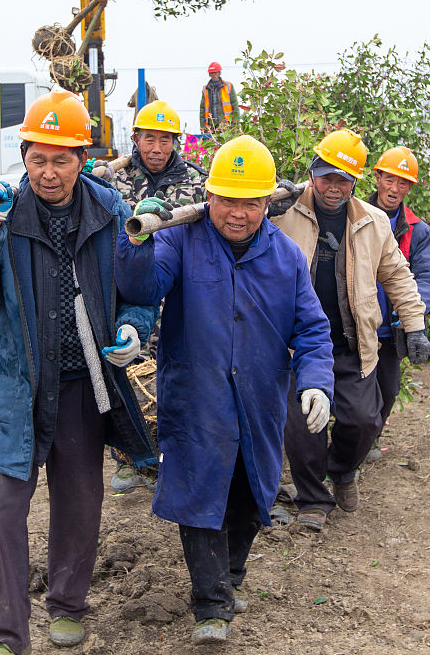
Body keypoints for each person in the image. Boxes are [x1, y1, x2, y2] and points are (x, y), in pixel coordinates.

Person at [0, 90, 158, 655]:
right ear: (24, 154)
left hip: (83, 382)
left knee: (80, 498)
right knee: (1, 504)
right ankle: (9, 636)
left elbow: (138, 292)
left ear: (82, 159)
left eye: (62, 159)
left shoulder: (109, 212)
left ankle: (68, 606)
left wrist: (132, 330)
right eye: (39, 158)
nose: (49, 171)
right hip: (14, 386)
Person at [115, 135, 335, 645]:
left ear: (267, 203)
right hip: (197, 397)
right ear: (209, 196)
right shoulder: (179, 239)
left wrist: (317, 382)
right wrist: (137, 244)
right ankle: (211, 605)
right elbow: (143, 288)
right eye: (228, 200)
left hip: (258, 401)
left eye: (251, 202)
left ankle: (229, 578)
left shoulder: (284, 257)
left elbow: (312, 330)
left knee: (248, 497)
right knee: (198, 496)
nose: (238, 213)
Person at [269, 130, 430, 531]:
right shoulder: (284, 211)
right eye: (326, 177)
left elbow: (398, 275)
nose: (334, 187)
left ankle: (341, 472)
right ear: (312, 172)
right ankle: (313, 500)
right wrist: (269, 203)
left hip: (351, 342)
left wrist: (415, 326)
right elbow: (239, 218)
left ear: (356, 181)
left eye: (343, 179)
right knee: (304, 428)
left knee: (364, 420)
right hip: (298, 346)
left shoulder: (373, 222)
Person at [108, 99, 208, 492]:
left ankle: (169, 457)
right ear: (136, 138)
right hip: (123, 290)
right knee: (123, 372)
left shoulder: (196, 183)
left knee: (172, 377)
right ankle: (127, 459)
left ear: (175, 142)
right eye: (149, 138)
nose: (156, 147)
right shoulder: (113, 180)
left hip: (174, 295)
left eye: (165, 140)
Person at [365, 145, 430, 459]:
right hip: (354, 325)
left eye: (403, 183)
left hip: (390, 331)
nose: (394, 188)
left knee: (388, 392)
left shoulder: (417, 231)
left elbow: (428, 277)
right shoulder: (351, 214)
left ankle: (368, 439)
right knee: (351, 392)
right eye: (390, 179)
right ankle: (350, 446)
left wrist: (412, 319)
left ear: (409, 188)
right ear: (378, 177)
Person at [200, 61, 236, 134]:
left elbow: (235, 105)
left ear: (219, 73)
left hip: (226, 124)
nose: (214, 75)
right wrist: (202, 126)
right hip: (210, 126)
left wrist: (236, 125)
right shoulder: (205, 89)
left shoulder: (228, 86)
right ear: (209, 74)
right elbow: (202, 109)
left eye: (215, 72)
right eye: (212, 73)